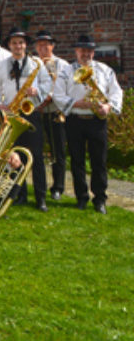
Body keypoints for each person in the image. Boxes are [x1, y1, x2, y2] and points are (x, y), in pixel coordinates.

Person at [53, 34, 123, 214]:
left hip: (97, 121)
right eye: (83, 50)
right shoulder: (66, 71)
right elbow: (58, 95)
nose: (86, 54)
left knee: (99, 162)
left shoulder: (105, 70)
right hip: (75, 120)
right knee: (77, 161)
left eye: (90, 51)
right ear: (76, 51)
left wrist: (108, 107)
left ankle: (100, 199)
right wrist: (77, 104)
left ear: (93, 52)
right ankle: (81, 197)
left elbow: (116, 93)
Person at [0, 27, 51, 212]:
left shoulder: (36, 64)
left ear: (25, 45)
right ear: (9, 45)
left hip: (30, 113)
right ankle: (19, 194)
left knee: (37, 158)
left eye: (21, 43)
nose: (18, 46)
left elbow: (47, 84)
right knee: (15, 157)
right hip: (11, 114)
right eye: (14, 43)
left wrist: (37, 91)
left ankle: (41, 198)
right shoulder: (1, 66)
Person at [34, 30, 69, 201]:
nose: (43, 48)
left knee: (58, 152)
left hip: (54, 111)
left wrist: (49, 96)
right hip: (38, 112)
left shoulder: (61, 64)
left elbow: (64, 85)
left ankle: (58, 187)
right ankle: (38, 186)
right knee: (36, 151)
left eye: (46, 44)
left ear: (52, 46)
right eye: (40, 45)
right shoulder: (33, 63)